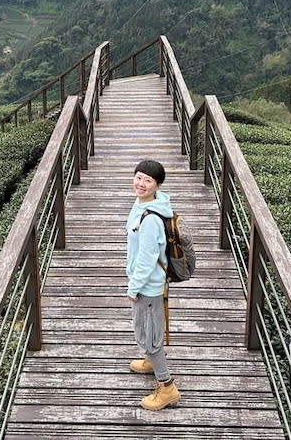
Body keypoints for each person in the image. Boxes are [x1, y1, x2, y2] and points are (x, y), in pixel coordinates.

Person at [126, 159, 181, 410]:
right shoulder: (143, 204)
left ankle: (167, 386)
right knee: (149, 331)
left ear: (157, 185)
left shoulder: (150, 220)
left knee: (150, 337)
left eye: (147, 180)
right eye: (138, 177)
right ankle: (151, 360)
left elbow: (147, 259)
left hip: (148, 286)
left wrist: (134, 287)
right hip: (148, 283)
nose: (141, 183)